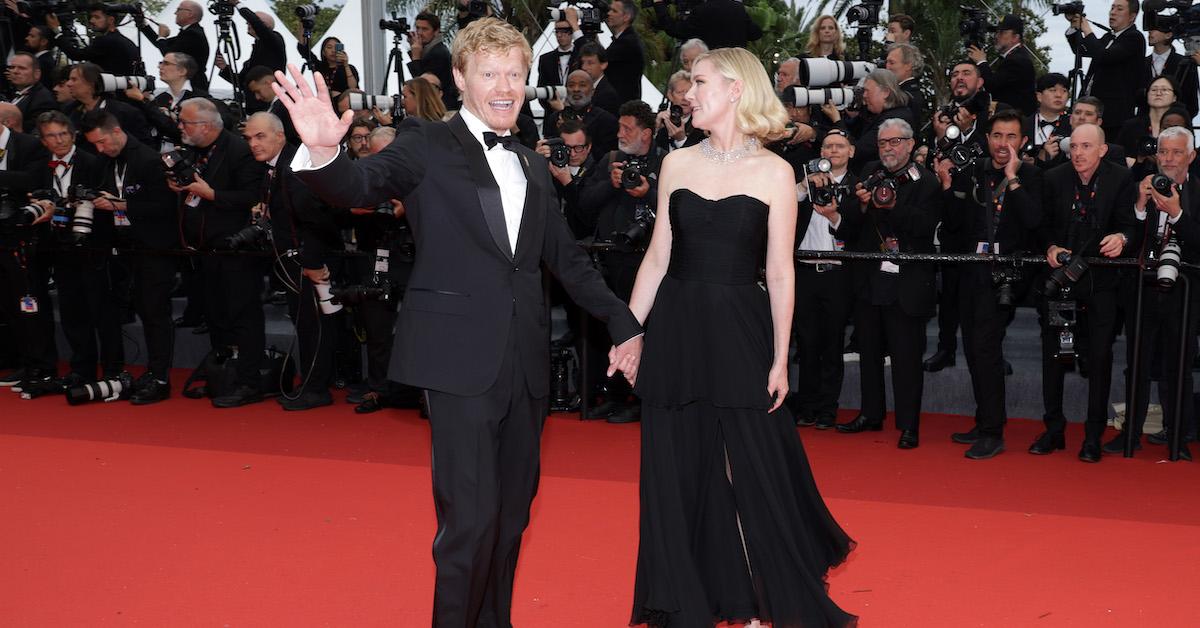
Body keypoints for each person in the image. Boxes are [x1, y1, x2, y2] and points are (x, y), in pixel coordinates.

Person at [270, 18, 643, 627]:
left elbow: (568, 260)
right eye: (490, 73)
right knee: (469, 520)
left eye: (515, 75)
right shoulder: (425, 141)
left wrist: (624, 323)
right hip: (457, 359)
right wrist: (323, 151)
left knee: (513, 515)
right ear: (461, 78)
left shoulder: (528, 159)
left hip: (525, 364)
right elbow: (359, 184)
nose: (504, 87)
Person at [622, 46, 854, 627]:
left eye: (698, 82)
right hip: (676, 328)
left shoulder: (776, 173)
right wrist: (628, 333)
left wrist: (780, 359)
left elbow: (780, 271)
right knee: (678, 472)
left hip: (740, 331)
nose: (687, 93)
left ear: (734, 89)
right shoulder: (675, 164)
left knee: (751, 467)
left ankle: (759, 603)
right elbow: (656, 259)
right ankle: (691, 605)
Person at [936, 109, 1044, 459]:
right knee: (974, 349)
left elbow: (1034, 223)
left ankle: (993, 431)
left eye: (1011, 137)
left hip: (1007, 276)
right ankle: (985, 420)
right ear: (987, 139)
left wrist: (1013, 179)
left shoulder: (1032, 176)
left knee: (985, 349)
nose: (1003, 144)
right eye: (997, 136)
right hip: (971, 271)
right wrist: (949, 186)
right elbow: (953, 226)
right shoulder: (974, 172)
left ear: (1023, 141)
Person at [1034, 123, 1137, 462]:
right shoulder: (1053, 178)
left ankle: (1093, 435)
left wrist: (1121, 238)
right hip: (1061, 283)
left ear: (1102, 150)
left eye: (1086, 146)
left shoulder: (1121, 179)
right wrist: (1050, 245)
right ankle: (1053, 429)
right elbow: (1042, 225)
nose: (1077, 153)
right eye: (1073, 146)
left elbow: (1129, 224)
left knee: (1099, 358)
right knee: (1055, 356)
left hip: (1101, 286)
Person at [835, 118, 940, 448]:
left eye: (895, 142)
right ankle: (871, 414)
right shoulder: (869, 172)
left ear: (910, 144)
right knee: (868, 351)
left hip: (907, 282)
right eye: (883, 143)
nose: (889, 149)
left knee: (907, 357)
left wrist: (893, 207)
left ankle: (909, 425)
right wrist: (863, 203)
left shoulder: (927, 182)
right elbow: (847, 219)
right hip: (869, 279)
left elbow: (924, 228)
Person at [168, 97, 268, 408]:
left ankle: (249, 380)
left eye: (185, 123)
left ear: (207, 126)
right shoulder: (193, 152)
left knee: (244, 315)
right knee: (215, 315)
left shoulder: (240, 150)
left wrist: (211, 194)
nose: (180, 127)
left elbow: (253, 196)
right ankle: (222, 375)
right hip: (203, 248)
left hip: (237, 249)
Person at [1108, 126, 1200, 460]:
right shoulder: (1140, 186)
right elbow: (1125, 233)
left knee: (1179, 366)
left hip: (1185, 293)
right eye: (1164, 152)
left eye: (1177, 152)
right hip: (1142, 289)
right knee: (1137, 364)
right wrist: (1140, 205)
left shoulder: (1198, 193)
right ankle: (1130, 433)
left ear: (1191, 156)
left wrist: (1176, 212)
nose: (1169, 159)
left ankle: (1179, 437)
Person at [243, 112, 342, 410]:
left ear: (279, 135)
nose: (253, 144)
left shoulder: (294, 167)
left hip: (309, 262)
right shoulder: (277, 166)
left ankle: (316, 388)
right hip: (294, 261)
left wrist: (312, 263)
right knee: (307, 324)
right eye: (249, 138)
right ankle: (313, 383)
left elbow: (315, 219)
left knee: (315, 325)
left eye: (260, 136)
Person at [80, 110, 179, 403]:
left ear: (116, 131)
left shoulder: (149, 160)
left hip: (155, 248)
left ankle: (160, 376)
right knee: (142, 311)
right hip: (124, 248)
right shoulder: (104, 161)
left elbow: (165, 208)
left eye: (101, 142)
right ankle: (151, 372)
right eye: (94, 145)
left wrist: (121, 205)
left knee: (155, 313)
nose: (99, 149)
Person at [789, 128, 859, 429]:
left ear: (851, 151)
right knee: (806, 344)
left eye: (839, 146)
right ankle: (806, 406)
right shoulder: (805, 183)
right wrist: (804, 186)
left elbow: (857, 233)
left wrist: (833, 216)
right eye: (828, 146)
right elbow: (781, 205)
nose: (832, 151)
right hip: (804, 272)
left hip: (837, 275)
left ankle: (828, 408)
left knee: (832, 344)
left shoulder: (859, 187)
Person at [1066, 0, 1149, 138]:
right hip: (1091, 108)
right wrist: (1075, 28)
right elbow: (1082, 50)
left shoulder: (1134, 38)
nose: (1113, 12)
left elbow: (1105, 56)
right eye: (1112, 8)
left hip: (1113, 115)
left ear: (1132, 16)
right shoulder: (1108, 37)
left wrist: (1087, 29)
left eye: (1119, 9)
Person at [216, 0, 287, 113]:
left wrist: (238, 4)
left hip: (269, 105)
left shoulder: (275, 40)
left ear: (265, 26)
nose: (248, 24)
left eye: (251, 22)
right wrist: (224, 68)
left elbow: (257, 24)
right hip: (251, 107)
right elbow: (243, 82)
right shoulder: (257, 48)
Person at [846, 68, 913, 172]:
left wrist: (837, 120)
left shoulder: (895, 119)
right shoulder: (872, 115)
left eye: (868, 91)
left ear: (885, 92)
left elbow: (859, 150)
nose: (864, 95)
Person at [969, 14, 1036, 116]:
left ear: (1015, 37)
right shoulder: (1013, 57)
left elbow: (992, 85)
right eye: (997, 32)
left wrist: (981, 62)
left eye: (1002, 33)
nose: (997, 36)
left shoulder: (1017, 60)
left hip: (1015, 120)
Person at [541, 69, 618, 157]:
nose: (576, 89)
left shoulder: (606, 120)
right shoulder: (555, 117)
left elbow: (606, 156)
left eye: (582, 85)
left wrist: (581, 129)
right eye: (571, 85)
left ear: (592, 91)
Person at [138, 0, 210, 93]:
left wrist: (162, 37)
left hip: (192, 86)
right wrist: (144, 25)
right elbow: (161, 44)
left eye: (179, 10)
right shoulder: (191, 32)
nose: (175, 13)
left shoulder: (193, 34)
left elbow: (169, 54)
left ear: (190, 14)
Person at [46, 4, 139, 75]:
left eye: (97, 17)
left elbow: (76, 54)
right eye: (91, 17)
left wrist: (57, 31)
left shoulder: (105, 41)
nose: (92, 21)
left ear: (111, 20)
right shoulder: (129, 43)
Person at [1143, 20, 1199, 117]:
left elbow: (1192, 102)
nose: (1150, 31)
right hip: (1145, 125)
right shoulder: (1142, 63)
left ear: (1168, 35)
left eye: (1156, 29)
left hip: (1178, 123)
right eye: (1150, 28)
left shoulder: (1185, 64)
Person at [651, 0, 761, 50]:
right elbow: (755, 33)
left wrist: (659, 5)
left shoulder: (702, 10)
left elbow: (675, 30)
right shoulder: (738, 9)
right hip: (736, 66)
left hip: (711, 67)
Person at [406, 12, 458, 111]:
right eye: (418, 28)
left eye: (425, 29)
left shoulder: (438, 53)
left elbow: (422, 86)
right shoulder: (430, 50)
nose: (420, 33)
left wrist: (416, 57)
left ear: (436, 31)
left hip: (441, 109)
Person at [603, 0, 645, 104]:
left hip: (621, 106)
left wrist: (577, 31)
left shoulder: (628, 42)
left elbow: (599, 60)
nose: (609, 13)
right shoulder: (625, 39)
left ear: (626, 17)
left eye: (614, 11)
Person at [4, 52, 57, 133]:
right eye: (12, 67)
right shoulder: (11, 93)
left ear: (36, 74)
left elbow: (32, 132)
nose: (15, 71)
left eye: (22, 68)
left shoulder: (43, 100)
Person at [298, 37, 359, 106]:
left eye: (336, 48)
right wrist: (304, 28)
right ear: (323, 52)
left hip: (345, 106)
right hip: (325, 106)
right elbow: (303, 49)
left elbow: (353, 88)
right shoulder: (319, 66)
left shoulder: (349, 68)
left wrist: (346, 65)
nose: (333, 51)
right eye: (329, 47)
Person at [653, 70, 703, 152]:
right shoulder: (660, 119)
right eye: (680, 92)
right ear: (670, 95)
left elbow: (698, 159)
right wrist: (656, 129)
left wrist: (681, 140)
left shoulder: (701, 126)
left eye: (689, 92)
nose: (685, 98)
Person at [886, 43, 926, 122]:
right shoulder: (910, 92)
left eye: (892, 63)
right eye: (886, 62)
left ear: (908, 66)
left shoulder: (909, 96)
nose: (887, 67)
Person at [579, 42, 622, 116]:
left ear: (603, 65)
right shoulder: (581, 87)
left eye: (590, 63)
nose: (584, 67)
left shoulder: (608, 94)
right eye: (583, 62)